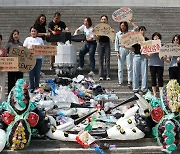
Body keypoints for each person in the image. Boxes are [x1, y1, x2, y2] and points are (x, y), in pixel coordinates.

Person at [115, 19, 137, 87]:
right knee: (120, 66)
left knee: (129, 66)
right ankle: (120, 81)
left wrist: (131, 22)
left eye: (124, 26)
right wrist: (117, 52)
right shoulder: (118, 34)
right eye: (121, 26)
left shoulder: (130, 32)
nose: (123, 27)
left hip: (129, 49)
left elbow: (136, 28)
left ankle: (129, 81)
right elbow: (116, 43)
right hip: (121, 49)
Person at [23, 26, 44, 92]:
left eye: (34, 31)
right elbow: (24, 48)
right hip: (30, 59)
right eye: (32, 31)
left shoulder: (40, 39)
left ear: (37, 32)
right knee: (31, 74)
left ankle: (37, 87)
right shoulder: (27, 39)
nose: (33, 32)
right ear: (30, 32)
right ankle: (31, 87)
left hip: (38, 58)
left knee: (37, 73)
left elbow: (43, 48)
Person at [132, 26, 149, 94]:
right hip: (136, 56)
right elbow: (132, 48)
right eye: (141, 30)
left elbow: (150, 48)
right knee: (135, 72)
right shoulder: (135, 40)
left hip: (144, 56)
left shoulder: (147, 40)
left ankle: (144, 88)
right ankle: (135, 88)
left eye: (143, 30)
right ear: (139, 31)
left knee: (144, 72)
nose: (142, 31)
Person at [148, 32, 164, 97]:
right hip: (152, 64)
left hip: (160, 64)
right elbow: (149, 56)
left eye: (158, 38)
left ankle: (161, 93)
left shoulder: (162, 46)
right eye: (155, 38)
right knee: (153, 78)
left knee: (160, 78)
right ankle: (154, 93)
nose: (156, 39)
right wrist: (154, 50)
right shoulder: (150, 46)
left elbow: (164, 56)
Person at [96, 15, 112, 81]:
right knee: (100, 60)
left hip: (107, 44)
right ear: (100, 20)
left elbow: (111, 37)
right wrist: (98, 34)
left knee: (107, 60)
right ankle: (101, 75)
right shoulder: (98, 27)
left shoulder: (109, 27)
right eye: (102, 19)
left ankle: (108, 75)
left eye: (105, 19)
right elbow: (97, 38)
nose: (103, 20)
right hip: (100, 43)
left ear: (107, 20)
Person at [0, 34, 7, 102]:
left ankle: (2, 101)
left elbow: (6, 59)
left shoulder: (4, 50)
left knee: (2, 85)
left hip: (2, 70)